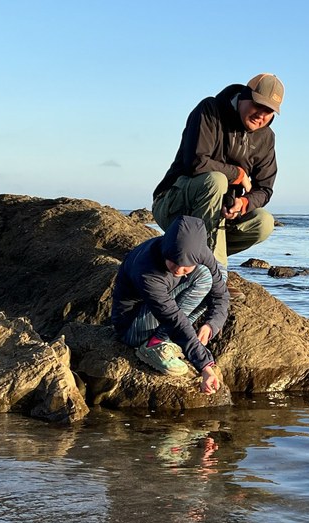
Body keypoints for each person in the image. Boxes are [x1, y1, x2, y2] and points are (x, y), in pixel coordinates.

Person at [151, 73, 284, 293]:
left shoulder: (267, 137)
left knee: (264, 221)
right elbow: (196, 162)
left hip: (217, 216)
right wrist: (238, 174)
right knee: (216, 180)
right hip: (174, 205)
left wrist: (243, 203)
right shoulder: (210, 110)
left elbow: (265, 189)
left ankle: (194, 256)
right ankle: (214, 276)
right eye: (258, 105)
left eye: (268, 111)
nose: (261, 115)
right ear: (244, 96)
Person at [111, 215, 229, 395]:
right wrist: (205, 365)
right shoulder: (147, 271)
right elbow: (173, 317)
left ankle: (167, 338)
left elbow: (220, 295)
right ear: (167, 250)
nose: (179, 270)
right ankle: (154, 344)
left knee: (219, 273)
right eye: (174, 262)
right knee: (204, 278)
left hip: (161, 316)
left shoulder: (202, 254)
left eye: (186, 267)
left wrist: (211, 325)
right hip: (132, 327)